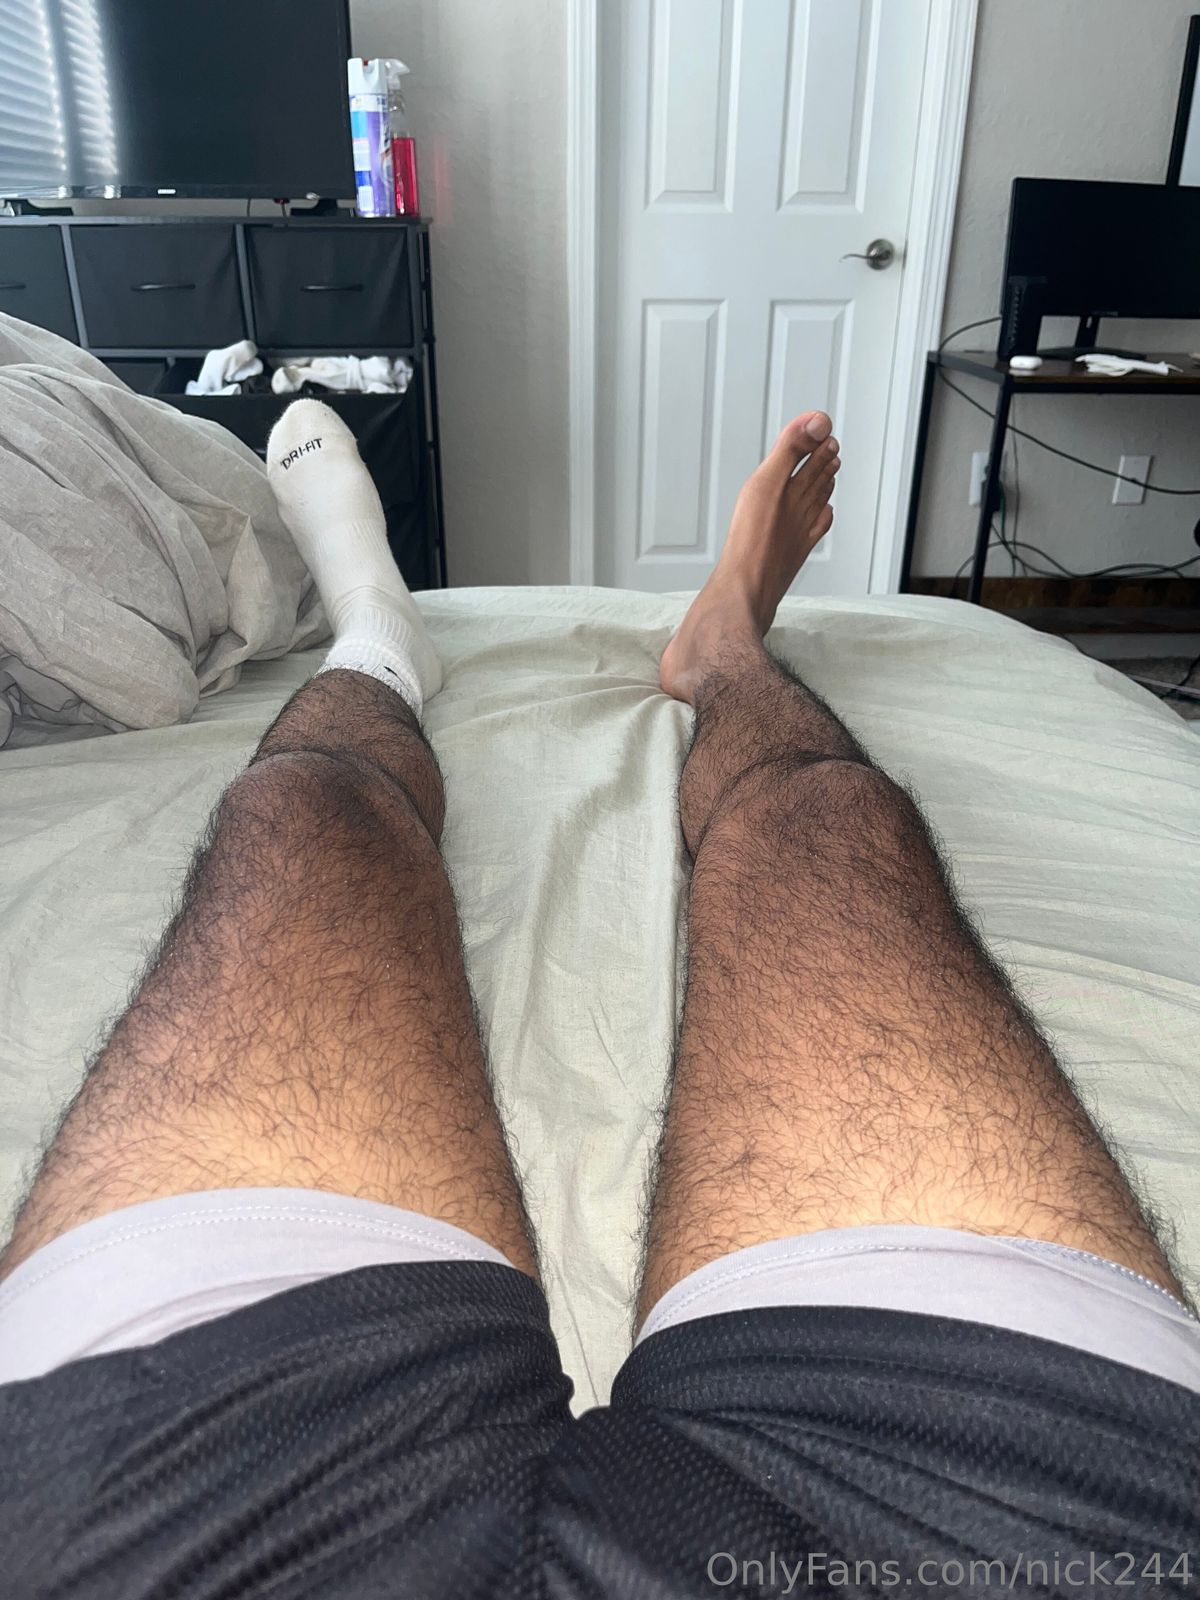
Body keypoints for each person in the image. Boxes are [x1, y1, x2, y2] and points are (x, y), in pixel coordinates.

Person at [0, 402, 1196, 1598]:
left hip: (144, 1509)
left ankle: (604, 644)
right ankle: (434, 637)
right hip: (1012, 1502)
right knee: (829, 818)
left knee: (307, 809)